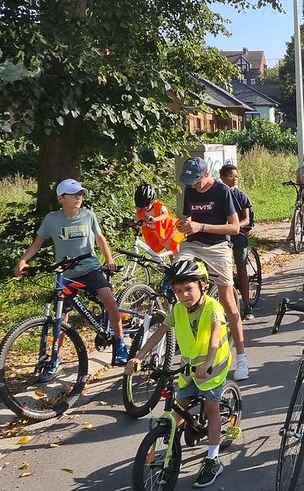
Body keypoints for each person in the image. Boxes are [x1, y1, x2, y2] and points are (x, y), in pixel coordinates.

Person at [124, 259, 231, 488]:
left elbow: (214, 337)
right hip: (189, 369)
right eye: (177, 291)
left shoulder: (213, 308)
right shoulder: (177, 310)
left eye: (188, 289)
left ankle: (213, 458)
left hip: (213, 368)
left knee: (212, 407)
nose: (183, 295)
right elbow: (159, 332)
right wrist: (139, 357)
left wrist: (209, 362)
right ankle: (171, 447)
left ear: (202, 285)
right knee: (178, 407)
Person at [15, 179, 128, 374]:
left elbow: (100, 238)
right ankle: (55, 357)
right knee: (61, 316)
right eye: (74, 194)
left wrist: (109, 259)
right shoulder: (52, 219)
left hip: (90, 269)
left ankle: (120, 343)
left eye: (81, 194)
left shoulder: (88, 215)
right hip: (65, 273)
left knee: (109, 300)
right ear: (61, 198)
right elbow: (37, 243)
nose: (79, 197)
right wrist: (23, 261)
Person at [177, 157, 249, 381]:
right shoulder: (190, 190)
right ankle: (182, 343)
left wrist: (202, 226)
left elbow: (235, 227)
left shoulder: (222, 191)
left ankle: (242, 357)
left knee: (228, 300)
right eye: (189, 181)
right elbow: (188, 216)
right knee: (177, 278)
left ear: (206, 174)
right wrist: (184, 224)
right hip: (192, 244)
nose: (192, 185)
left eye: (196, 180)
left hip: (218, 246)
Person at [219, 164, 256, 321]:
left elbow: (246, 219)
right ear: (222, 178)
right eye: (230, 176)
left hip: (238, 234)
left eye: (236, 176)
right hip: (221, 236)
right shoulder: (218, 194)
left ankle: (247, 305)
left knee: (241, 268)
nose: (234, 179)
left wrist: (234, 227)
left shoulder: (241, 196)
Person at [134, 183, 185, 255]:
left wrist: (155, 219)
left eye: (146, 206)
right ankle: (173, 264)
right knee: (168, 252)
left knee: (174, 248)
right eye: (142, 206)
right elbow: (135, 220)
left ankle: (180, 261)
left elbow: (166, 214)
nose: (145, 208)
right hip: (159, 234)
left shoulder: (159, 206)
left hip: (170, 229)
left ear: (152, 201)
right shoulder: (140, 211)